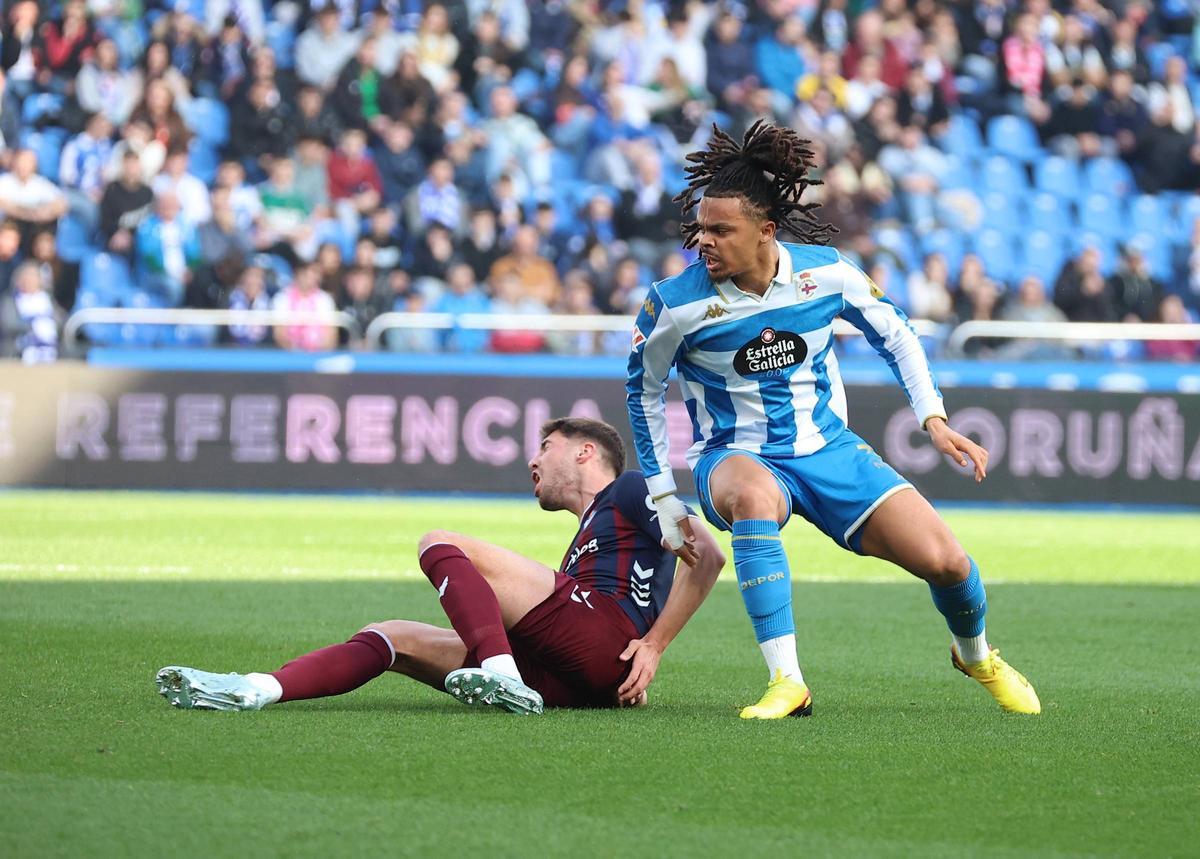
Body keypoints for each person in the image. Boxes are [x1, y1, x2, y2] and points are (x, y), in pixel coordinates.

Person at [626, 121, 1040, 720]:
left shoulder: (828, 275)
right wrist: (665, 497)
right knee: (753, 495)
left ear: (766, 231)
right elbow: (642, 391)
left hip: (828, 450)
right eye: (700, 228)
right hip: (734, 454)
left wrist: (934, 418)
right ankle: (787, 681)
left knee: (950, 564)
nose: (703, 242)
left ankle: (975, 655)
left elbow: (897, 334)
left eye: (721, 230)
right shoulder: (676, 303)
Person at [156, 417, 724, 714]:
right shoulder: (590, 535)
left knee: (441, 542)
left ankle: (500, 676)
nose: (532, 459)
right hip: (582, 675)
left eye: (544, 446)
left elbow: (708, 556)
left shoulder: (630, 489)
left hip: (602, 638)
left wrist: (652, 646)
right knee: (393, 636)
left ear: (583, 451)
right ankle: (257, 688)